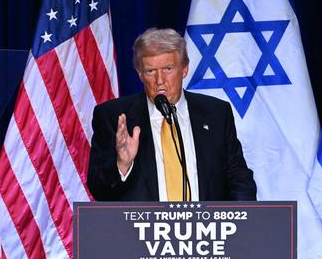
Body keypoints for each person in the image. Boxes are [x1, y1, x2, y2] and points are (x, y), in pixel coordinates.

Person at [87, 28, 256, 201]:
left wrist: (244, 220)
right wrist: (122, 164)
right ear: (140, 74)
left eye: (168, 68)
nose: (160, 80)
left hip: (208, 226)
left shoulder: (216, 113)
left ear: (184, 69)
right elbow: (99, 190)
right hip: (141, 227)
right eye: (150, 71)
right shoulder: (113, 117)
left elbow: (238, 177)